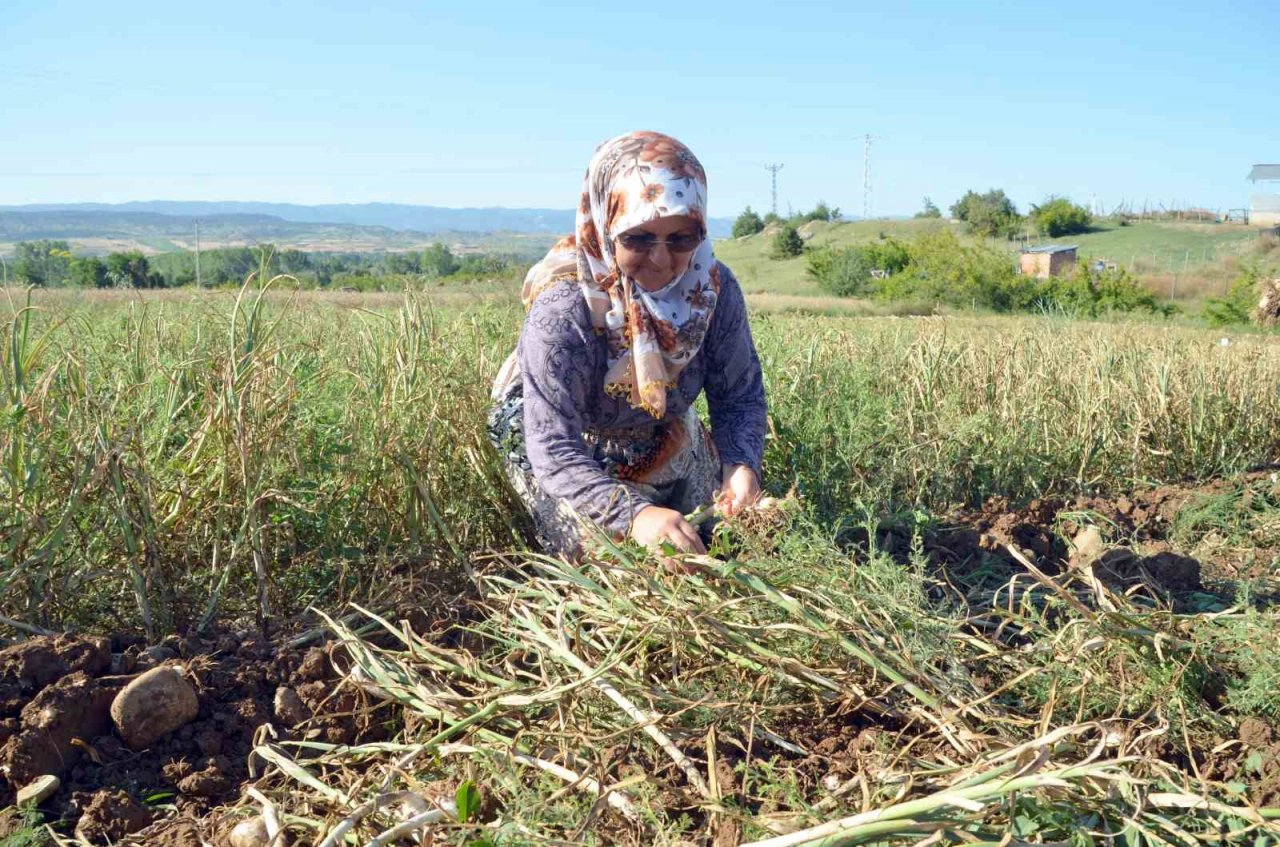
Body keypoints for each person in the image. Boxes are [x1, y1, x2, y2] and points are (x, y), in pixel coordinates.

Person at [489, 131, 767, 561]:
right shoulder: (564, 309)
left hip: (657, 422)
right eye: (638, 238)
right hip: (563, 441)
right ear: (604, 226)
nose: (661, 259)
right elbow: (552, 446)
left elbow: (739, 396)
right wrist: (635, 516)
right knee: (616, 566)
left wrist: (740, 465)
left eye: (681, 238)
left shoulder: (713, 290)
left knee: (727, 540)